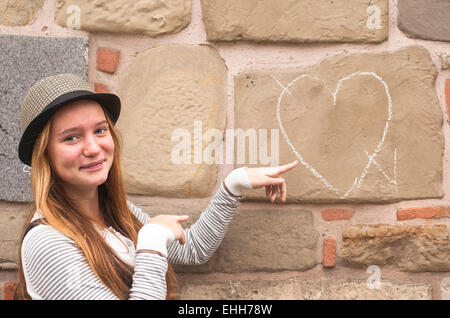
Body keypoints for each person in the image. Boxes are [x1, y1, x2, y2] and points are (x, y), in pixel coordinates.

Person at [14, 73, 298, 300]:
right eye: (71, 138)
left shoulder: (117, 212)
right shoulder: (47, 242)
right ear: (45, 155)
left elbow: (193, 249)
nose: (93, 148)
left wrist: (233, 185)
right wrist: (150, 242)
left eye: (100, 131)